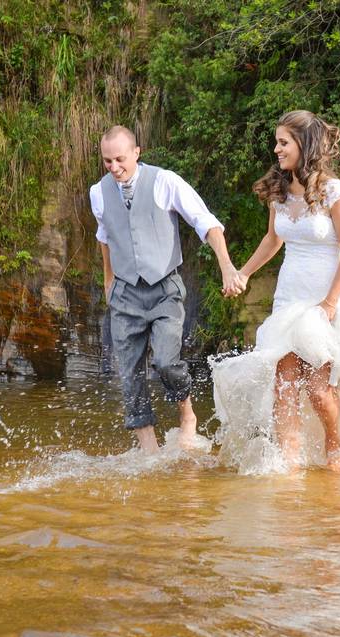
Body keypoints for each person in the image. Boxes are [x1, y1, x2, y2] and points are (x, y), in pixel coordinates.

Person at [211, 110, 340, 471]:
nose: (276, 149)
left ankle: (336, 447)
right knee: (283, 384)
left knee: (318, 390)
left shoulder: (335, 192)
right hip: (289, 298)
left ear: (304, 145)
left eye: (283, 142)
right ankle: (289, 463)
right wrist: (243, 272)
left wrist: (331, 302)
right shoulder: (280, 193)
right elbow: (273, 240)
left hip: (326, 299)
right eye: (277, 142)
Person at [91, 125, 240, 453]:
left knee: (166, 362)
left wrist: (226, 266)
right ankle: (149, 450)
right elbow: (105, 237)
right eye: (107, 161)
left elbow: (206, 222)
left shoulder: (165, 181)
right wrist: (108, 280)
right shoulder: (98, 193)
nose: (114, 167)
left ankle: (187, 415)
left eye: (120, 159)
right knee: (128, 373)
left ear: (136, 153)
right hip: (125, 293)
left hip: (164, 288)